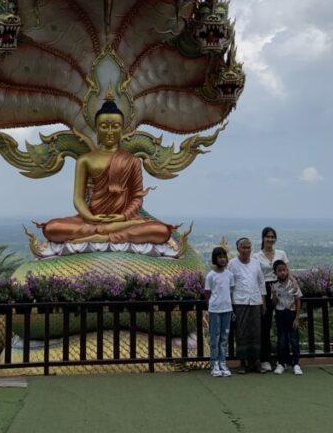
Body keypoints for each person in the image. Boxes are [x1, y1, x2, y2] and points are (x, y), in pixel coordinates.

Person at [35, 92, 174, 243]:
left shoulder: (132, 161)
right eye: (104, 126)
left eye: (115, 127)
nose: (109, 132)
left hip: (122, 220)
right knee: (52, 228)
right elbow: (78, 198)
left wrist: (123, 217)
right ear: (96, 129)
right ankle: (108, 232)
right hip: (93, 219)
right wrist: (90, 217)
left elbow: (137, 197)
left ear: (122, 129)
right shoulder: (85, 160)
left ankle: (103, 235)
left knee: (161, 231)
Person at [228, 236, 266, 373]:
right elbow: (230, 285)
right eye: (243, 247)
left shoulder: (256, 263)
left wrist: (263, 302)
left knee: (256, 331)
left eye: (248, 247)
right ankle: (243, 363)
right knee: (241, 331)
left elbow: (261, 283)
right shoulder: (232, 264)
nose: (246, 250)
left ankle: (256, 362)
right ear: (238, 249)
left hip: (255, 301)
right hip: (239, 301)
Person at [256, 226, 289, 371]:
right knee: (265, 325)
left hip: (282, 288)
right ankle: (265, 359)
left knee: (284, 322)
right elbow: (257, 277)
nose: (270, 239)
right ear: (263, 238)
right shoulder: (257, 256)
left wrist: (293, 282)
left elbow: (288, 271)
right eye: (268, 237)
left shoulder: (281, 253)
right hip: (265, 289)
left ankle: (284, 359)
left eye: (272, 237)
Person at [205, 246, 233, 377]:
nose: (222, 259)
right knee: (214, 337)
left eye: (224, 257)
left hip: (227, 309)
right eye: (220, 257)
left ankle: (222, 362)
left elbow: (231, 290)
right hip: (215, 310)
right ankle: (214, 363)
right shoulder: (211, 276)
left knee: (224, 338)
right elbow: (207, 293)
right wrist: (211, 306)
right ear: (215, 259)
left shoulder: (229, 274)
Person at [272, 259, 303, 375]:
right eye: (279, 271)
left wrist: (297, 318)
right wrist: (274, 295)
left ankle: (296, 364)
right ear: (275, 273)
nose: (282, 273)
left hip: (291, 314)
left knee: (294, 340)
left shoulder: (293, 285)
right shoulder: (275, 286)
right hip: (280, 314)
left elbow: (298, 301)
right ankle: (281, 363)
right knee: (282, 341)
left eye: (284, 270)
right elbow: (274, 304)